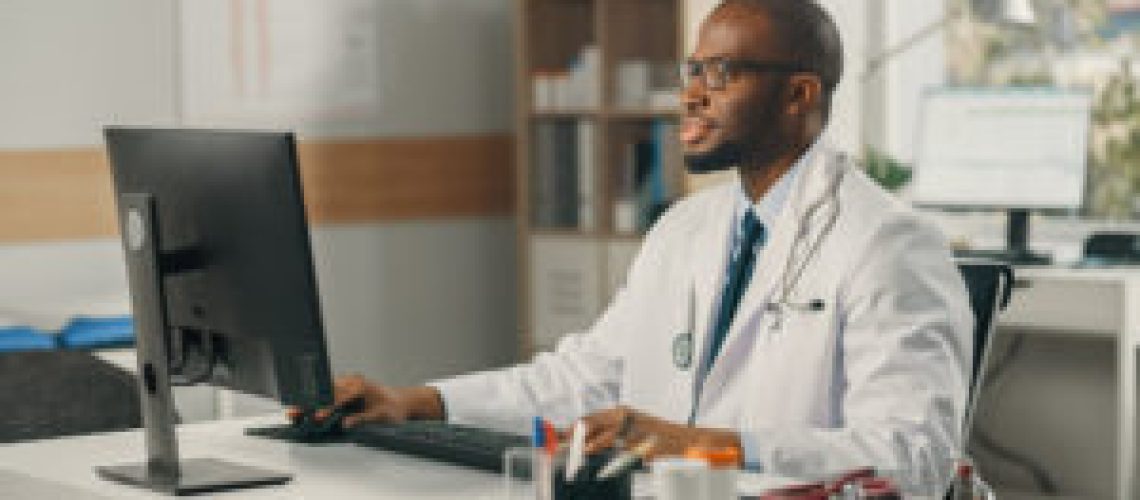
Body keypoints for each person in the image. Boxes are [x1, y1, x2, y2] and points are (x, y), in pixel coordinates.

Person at [326, 0, 971, 481]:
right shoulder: (685, 228)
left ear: (798, 94)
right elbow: (584, 378)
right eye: (691, 71)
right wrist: (417, 401)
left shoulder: (888, 242)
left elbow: (912, 456)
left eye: (719, 74)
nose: (689, 95)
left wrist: (703, 446)